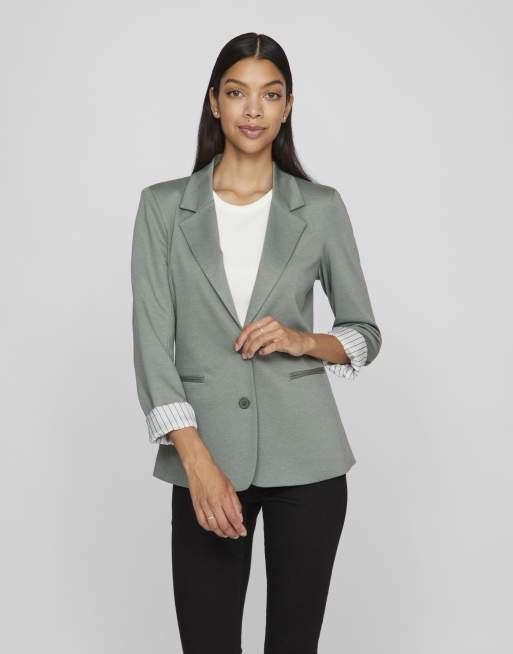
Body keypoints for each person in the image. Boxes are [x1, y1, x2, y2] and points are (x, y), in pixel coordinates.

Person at [130, 32, 382, 654]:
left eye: (270, 95)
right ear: (213, 101)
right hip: (207, 457)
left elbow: (363, 333)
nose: (253, 109)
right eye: (237, 93)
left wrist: (301, 339)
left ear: (288, 106)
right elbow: (152, 344)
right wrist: (196, 463)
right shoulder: (163, 208)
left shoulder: (320, 208)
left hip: (310, 460)